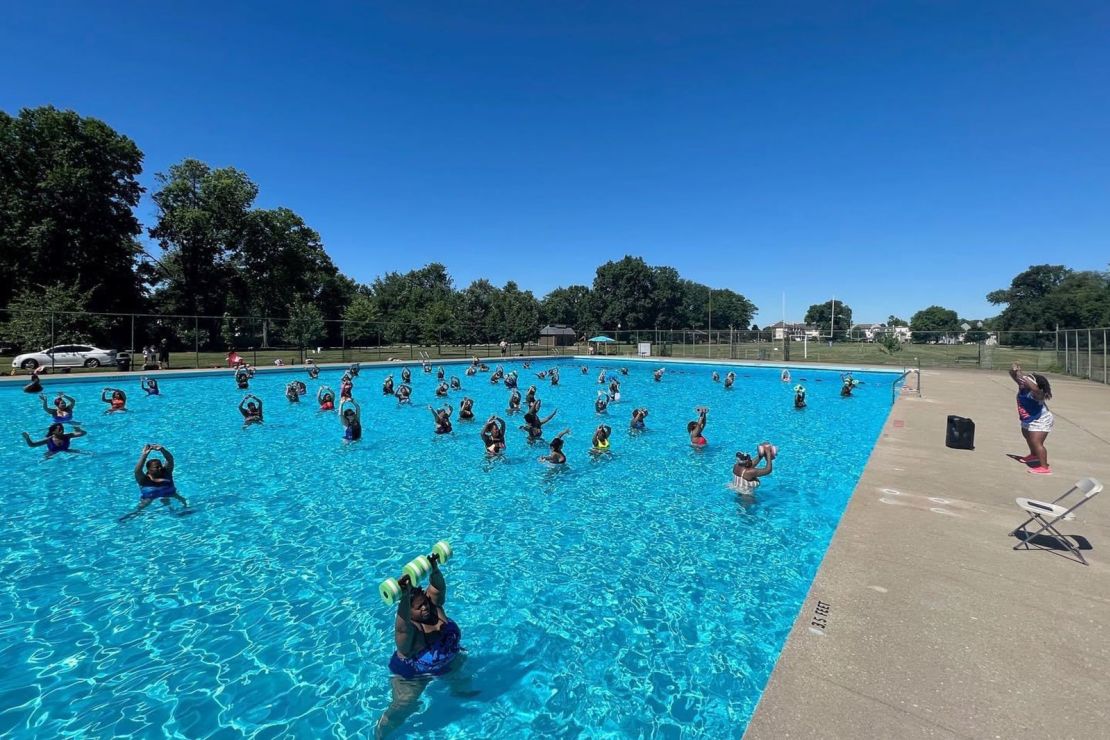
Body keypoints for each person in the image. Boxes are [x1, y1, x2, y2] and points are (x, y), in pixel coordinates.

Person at [378, 552, 461, 736]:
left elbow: (438, 589)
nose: (424, 608)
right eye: (418, 607)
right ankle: (382, 731)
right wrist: (404, 597)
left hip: (444, 661)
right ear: (409, 610)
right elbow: (402, 628)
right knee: (404, 706)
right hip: (414, 675)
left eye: (425, 603)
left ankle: (459, 691)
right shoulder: (411, 634)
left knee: (460, 670)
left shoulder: (435, 610)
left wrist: (434, 568)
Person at [120, 444, 188, 521]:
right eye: (156, 467)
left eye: (160, 466)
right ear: (148, 469)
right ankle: (132, 515)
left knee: (181, 502)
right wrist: (144, 455)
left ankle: (183, 510)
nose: (160, 468)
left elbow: (170, 459)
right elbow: (137, 470)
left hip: (170, 494)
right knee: (141, 507)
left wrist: (162, 450)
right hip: (149, 498)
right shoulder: (143, 479)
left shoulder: (166, 472)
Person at [1010, 363, 1054, 474]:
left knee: (1036, 442)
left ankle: (1044, 467)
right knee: (1026, 435)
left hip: (1041, 419)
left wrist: (1025, 377)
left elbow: (1034, 387)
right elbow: (1013, 375)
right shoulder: (1023, 388)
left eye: (1027, 381)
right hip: (1029, 418)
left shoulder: (1037, 393)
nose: (1023, 381)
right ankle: (1034, 455)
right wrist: (1015, 371)